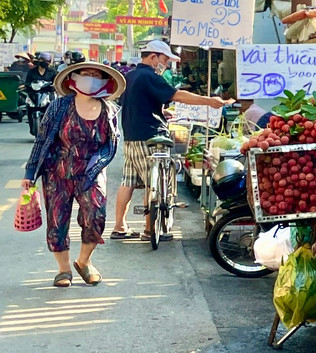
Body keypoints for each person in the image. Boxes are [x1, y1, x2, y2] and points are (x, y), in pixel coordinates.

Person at [110, 40, 232, 241]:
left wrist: (161, 111)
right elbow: (177, 95)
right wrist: (209, 101)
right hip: (149, 135)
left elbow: (136, 103)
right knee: (153, 182)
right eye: (164, 60)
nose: (165, 65)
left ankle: (119, 226)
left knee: (128, 181)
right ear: (153, 57)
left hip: (131, 135)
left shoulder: (130, 76)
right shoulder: (149, 75)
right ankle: (149, 230)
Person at [22, 61, 124, 287]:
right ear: (74, 78)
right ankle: (64, 269)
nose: (90, 78)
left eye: (96, 75)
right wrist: (30, 172)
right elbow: (42, 141)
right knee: (57, 221)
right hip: (56, 172)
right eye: (86, 74)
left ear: (104, 82)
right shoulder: (59, 107)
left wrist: (98, 164)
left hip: (91, 173)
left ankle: (84, 262)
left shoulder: (110, 110)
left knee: (96, 216)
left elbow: (111, 145)